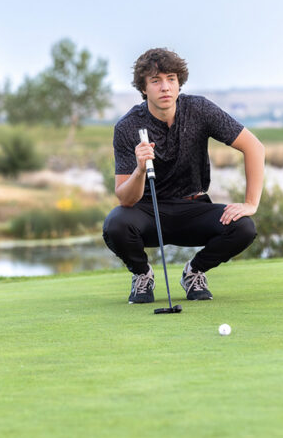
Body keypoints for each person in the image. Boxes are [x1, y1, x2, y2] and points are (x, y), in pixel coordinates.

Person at [102, 47, 265, 303]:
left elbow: (254, 147)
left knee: (243, 227)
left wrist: (250, 203)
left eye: (171, 79)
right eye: (156, 81)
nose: (165, 87)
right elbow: (125, 199)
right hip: (148, 211)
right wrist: (140, 169)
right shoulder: (127, 126)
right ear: (144, 88)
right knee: (116, 224)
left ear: (179, 83)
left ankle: (194, 272)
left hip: (194, 208)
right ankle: (142, 275)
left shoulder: (199, 110)